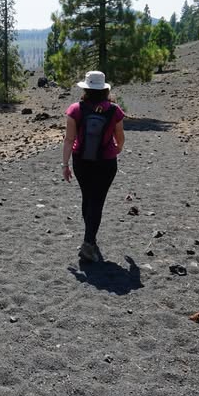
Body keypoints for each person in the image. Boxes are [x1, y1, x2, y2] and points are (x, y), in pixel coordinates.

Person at [62, 70, 125, 264]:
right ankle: (88, 243)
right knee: (97, 201)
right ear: (104, 89)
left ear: (86, 89)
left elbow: (69, 139)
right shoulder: (114, 111)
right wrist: (117, 149)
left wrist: (65, 164)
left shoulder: (75, 109)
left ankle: (89, 239)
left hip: (81, 160)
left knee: (87, 198)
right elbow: (120, 138)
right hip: (106, 162)